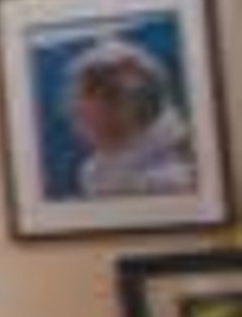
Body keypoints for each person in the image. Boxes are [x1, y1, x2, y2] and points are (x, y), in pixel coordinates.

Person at [59, 36, 195, 199]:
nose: (74, 109)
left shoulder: (172, 179)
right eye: (74, 98)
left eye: (85, 96)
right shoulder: (94, 171)